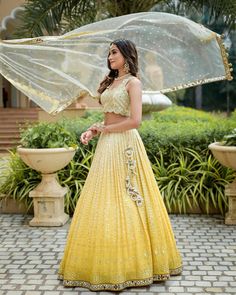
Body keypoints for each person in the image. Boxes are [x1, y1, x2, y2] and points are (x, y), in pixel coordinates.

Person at [58, 39, 182, 292]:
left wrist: (105, 129)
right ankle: (101, 260)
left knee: (127, 197)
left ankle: (133, 264)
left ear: (127, 55)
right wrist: (94, 130)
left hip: (125, 144)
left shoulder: (133, 83)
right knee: (103, 199)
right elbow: (108, 116)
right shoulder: (110, 81)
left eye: (114, 52)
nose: (110, 56)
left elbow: (135, 121)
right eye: (109, 52)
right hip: (106, 144)